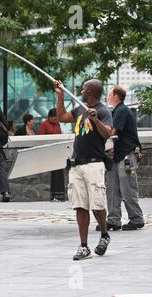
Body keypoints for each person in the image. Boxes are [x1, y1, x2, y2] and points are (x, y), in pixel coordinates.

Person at [55, 79, 113, 261]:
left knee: (97, 206)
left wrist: (95, 119)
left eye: (84, 88)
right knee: (80, 206)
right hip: (77, 164)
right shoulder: (80, 108)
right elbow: (62, 117)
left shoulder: (103, 111)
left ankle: (104, 234)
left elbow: (107, 133)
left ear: (91, 92)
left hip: (94, 164)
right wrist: (60, 96)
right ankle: (84, 246)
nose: (81, 90)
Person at [104, 85, 145, 230]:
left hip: (126, 154)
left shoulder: (121, 110)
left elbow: (112, 131)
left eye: (109, 94)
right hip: (117, 155)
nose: (107, 97)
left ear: (116, 96)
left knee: (128, 187)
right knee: (112, 188)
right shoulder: (117, 111)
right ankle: (113, 220)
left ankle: (137, 219)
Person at [38, 108, 65, 201]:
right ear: (50, 117)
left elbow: (60, 134)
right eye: (54, 118)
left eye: (57, 118)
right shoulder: (44, 124)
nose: (56, 120)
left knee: (59, 173)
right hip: (48, 152)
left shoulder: (57, 124)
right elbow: (41, 137)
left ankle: (59, 194)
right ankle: (52, 195)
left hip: (57, 152)